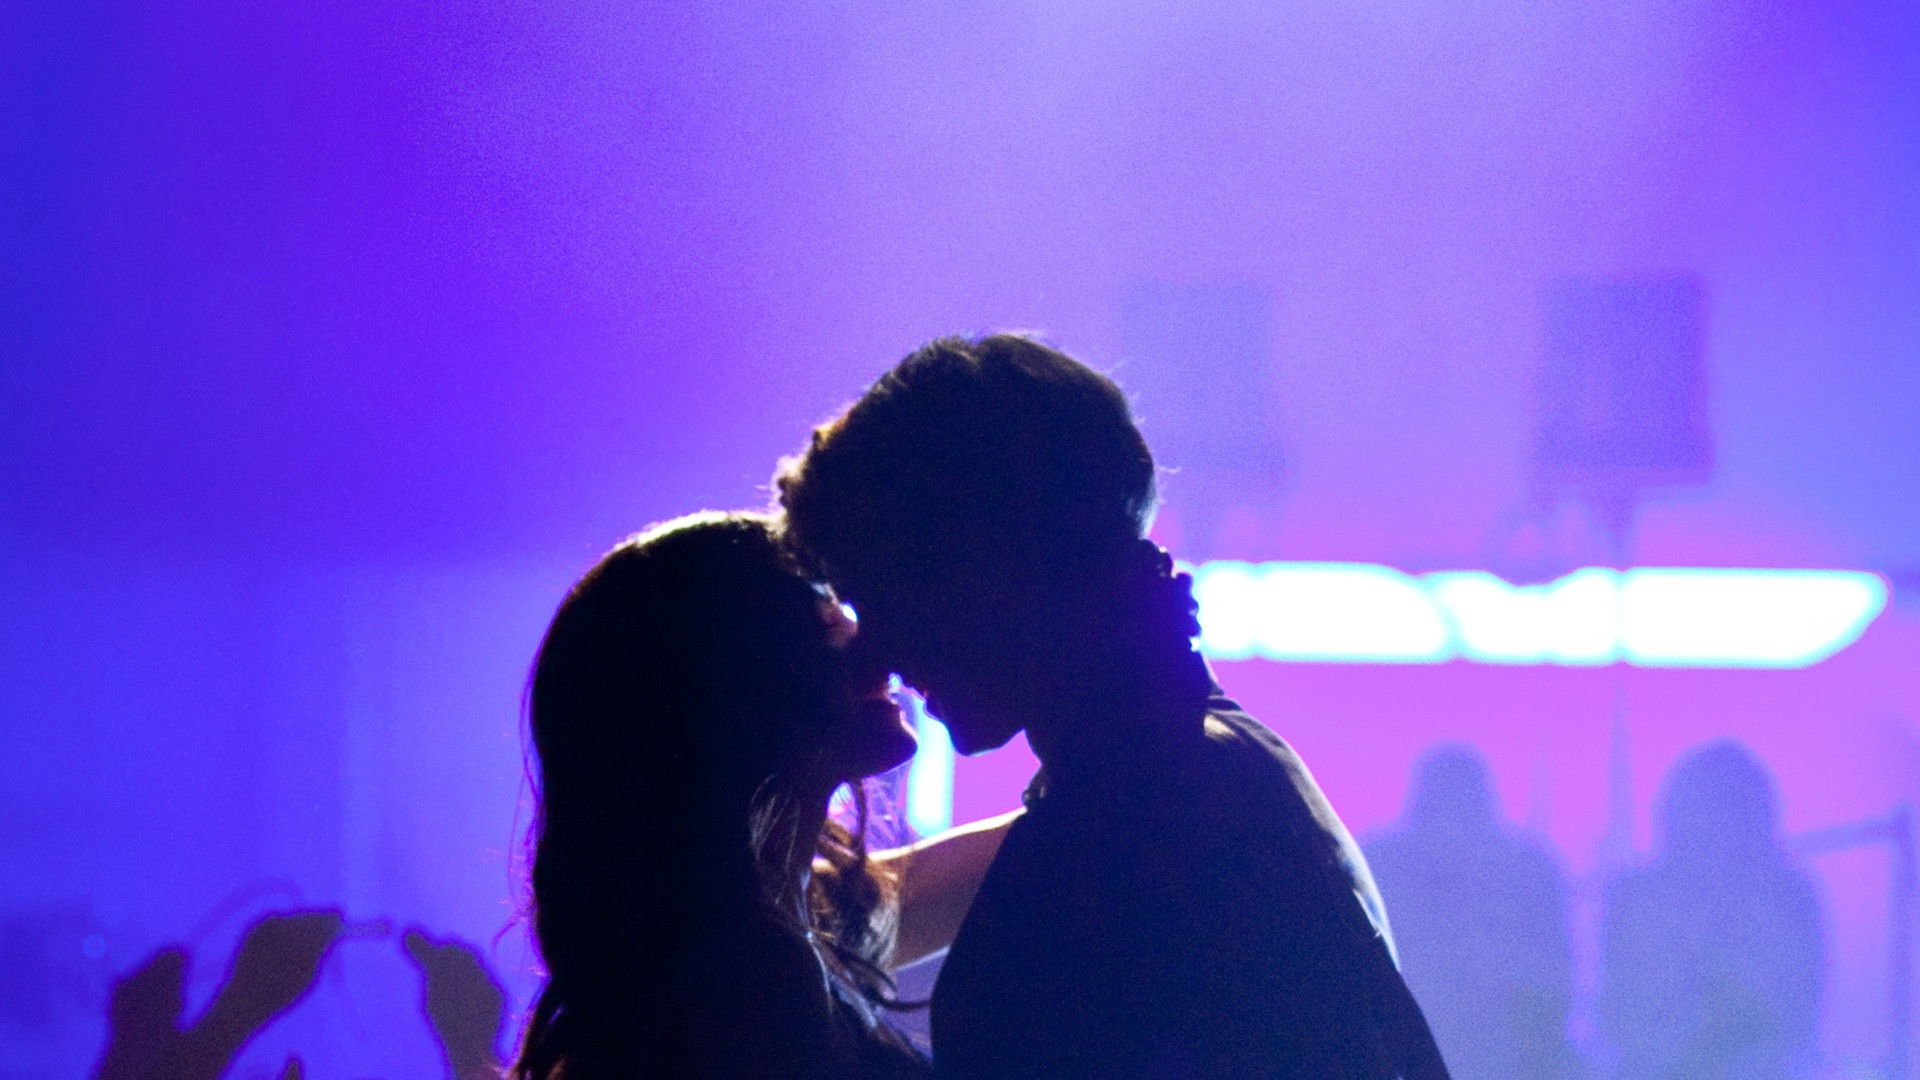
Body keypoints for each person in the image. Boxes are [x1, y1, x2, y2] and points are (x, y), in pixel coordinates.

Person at [776, 333, 1448, 1080]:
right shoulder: (1190, 773)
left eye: (880, 593)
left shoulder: (1130, 823)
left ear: (984, 566)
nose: (875, 652)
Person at [510, 511, 1011, 1080]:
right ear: (740, 686)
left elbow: (1021, 857)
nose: (880, 650)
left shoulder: (771, 927)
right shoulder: (726, 1000)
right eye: (830, 625)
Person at [1598, 741, 1823, 1080]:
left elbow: (1797, 1020)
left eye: (1725, 811)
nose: (1714, 826)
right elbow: (1617, 1018)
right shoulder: (1636, 898)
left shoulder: (1786, 898)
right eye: (1707, 810)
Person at [1364, 745, 1579, 1080]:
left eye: (1460, 808)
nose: (1452, 827)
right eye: (1444, 806)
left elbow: (1553, 982)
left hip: (1503, 1059)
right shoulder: (1380, 867)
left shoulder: (1527, 872)